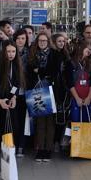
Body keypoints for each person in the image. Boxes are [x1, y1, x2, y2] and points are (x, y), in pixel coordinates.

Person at [0, 41, 26, 175]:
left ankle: (6, 159)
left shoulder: (17, 64)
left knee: (11, 130)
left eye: (13, 51)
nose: (11, 54)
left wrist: (14, 97)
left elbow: (17, 84)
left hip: (8, 103)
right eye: (8, 51)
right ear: (3, 52)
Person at [27, 33, 59, 162]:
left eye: (44, 40)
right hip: (37, 89)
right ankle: (40, 149)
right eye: (40, 40)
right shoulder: (32, 54)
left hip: (50, 89)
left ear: (48, 41)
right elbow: (29, 70)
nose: (42, 42)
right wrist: (42, 71)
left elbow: (53, 71)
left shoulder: (55, 54)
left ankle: (48, 149)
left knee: (50, 121)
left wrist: (39, 70)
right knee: (40, 121)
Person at [13, 29, 31, 157]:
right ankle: (12, 143)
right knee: (13, 119)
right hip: (12, 91)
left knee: (23, 119)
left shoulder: (30, 54)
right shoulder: (10, 52)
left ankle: (21, 145)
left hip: (25, 91)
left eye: (23, 38)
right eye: (18, 38)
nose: (20, 41)